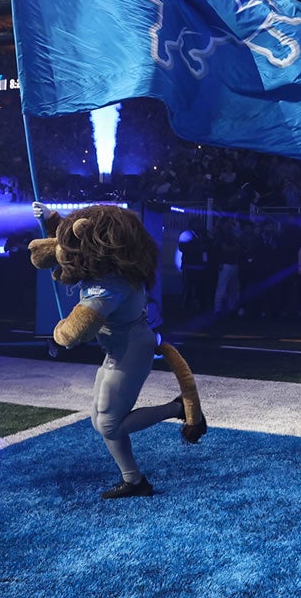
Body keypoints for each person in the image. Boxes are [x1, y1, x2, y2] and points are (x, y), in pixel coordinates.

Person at [31, 202, 191, 499]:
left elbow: (78, 330)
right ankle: (134, 479)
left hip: (130, 350)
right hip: (120, 347)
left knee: (108, 422)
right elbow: (79, 240)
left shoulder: (110, 283)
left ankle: (177, 408)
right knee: (100, 420)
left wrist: (60, 332)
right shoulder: (114, 270)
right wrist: (53, 218)